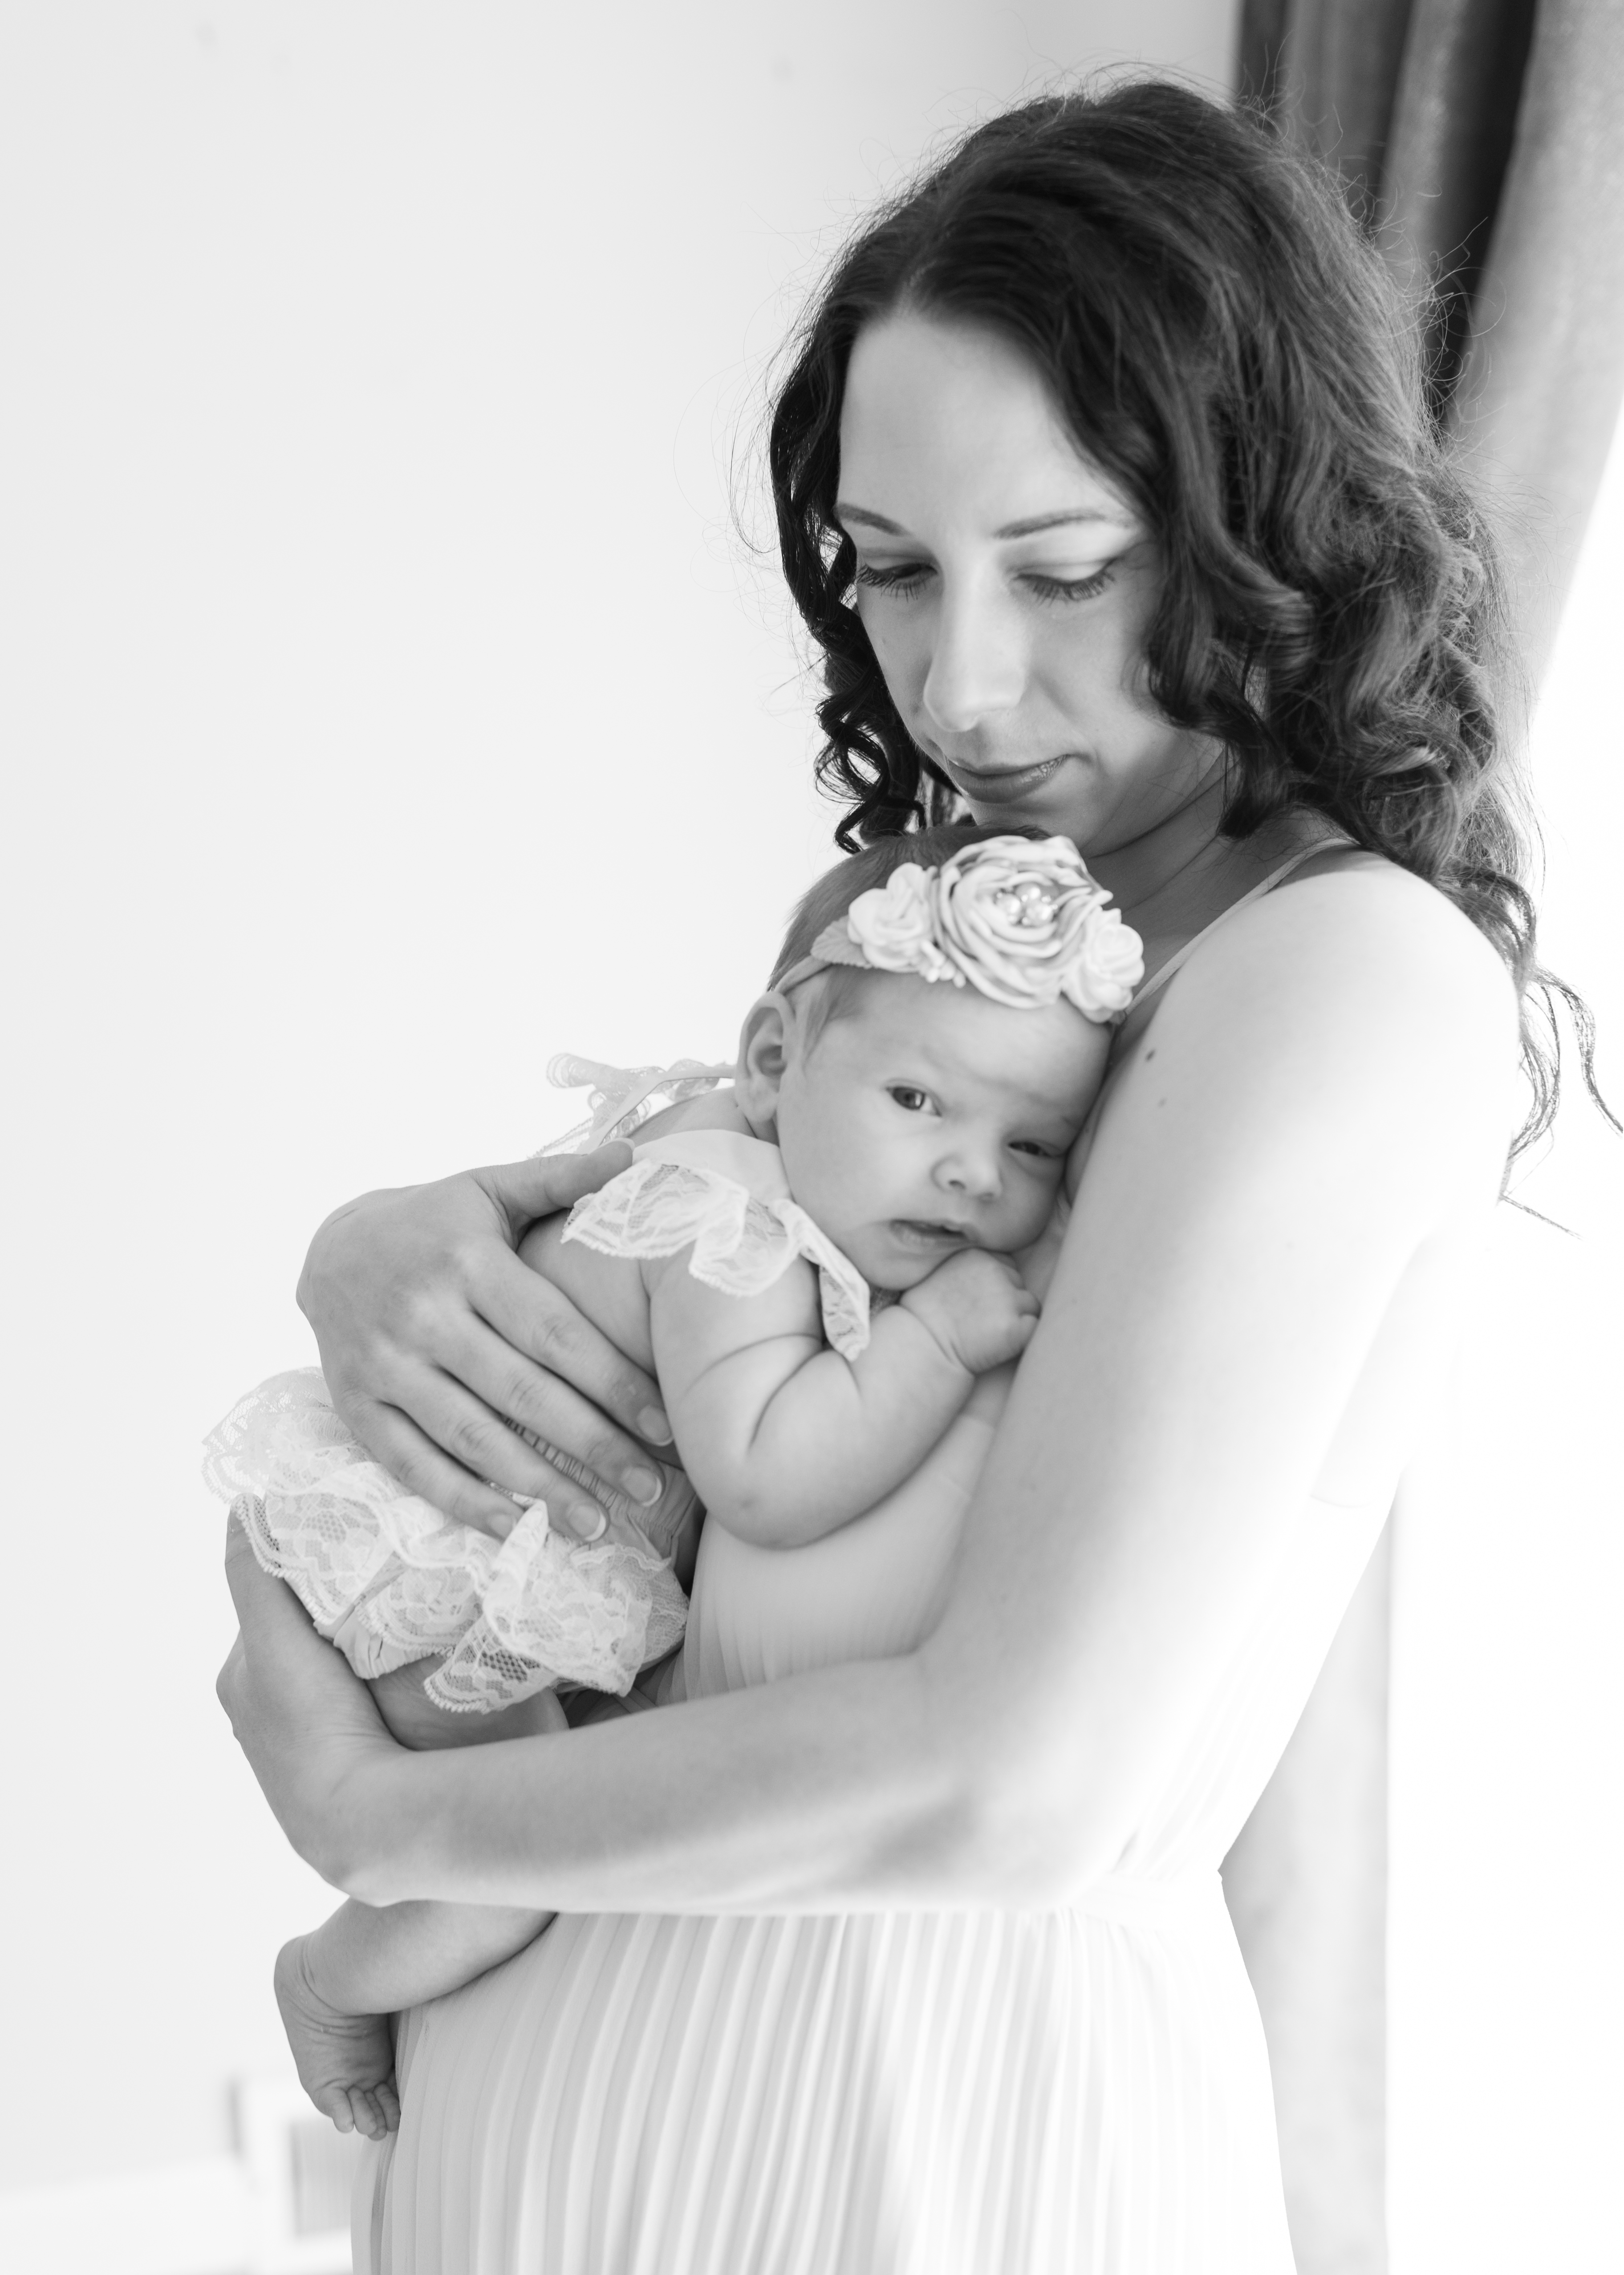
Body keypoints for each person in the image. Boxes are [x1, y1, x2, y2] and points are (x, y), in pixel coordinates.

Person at [218, 77, 1567, 2273]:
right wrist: (387, 1242)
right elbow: (675, 1326)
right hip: (555, 2097)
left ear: (1267, 527)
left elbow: (1008, 1783)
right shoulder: (903, 932)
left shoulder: (1342, 983)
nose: (960, 681)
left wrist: (380, 1832)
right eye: (893, 571)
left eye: (1061, 571)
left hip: (942, 2128)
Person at [221, 827, 1140, 2141]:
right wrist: (936, 1340)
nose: (972, 1172)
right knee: (505, 1874)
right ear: (775, 1060)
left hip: (486, 1555)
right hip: (443, 1578)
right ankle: (326, 1977)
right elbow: (765, 1476)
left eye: (1036, 1147)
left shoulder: (746, 1150)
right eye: (921, 1104)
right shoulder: (736, 1228)